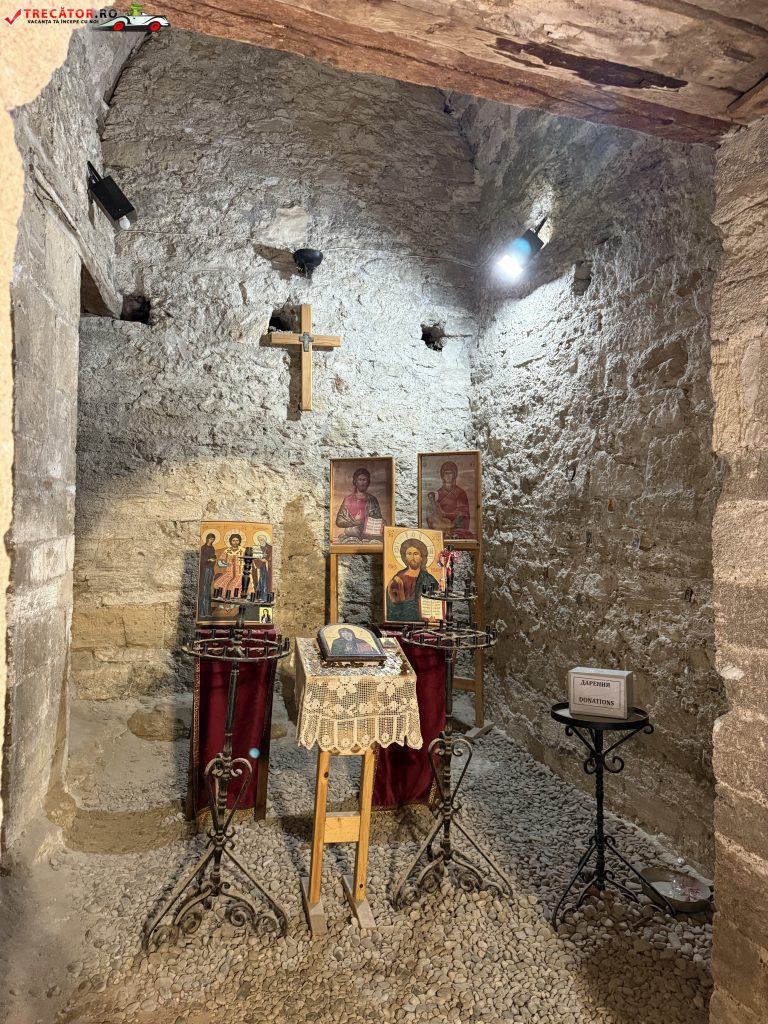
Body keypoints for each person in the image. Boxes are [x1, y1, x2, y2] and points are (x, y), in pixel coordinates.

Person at [386, 537, 440, 622]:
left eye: (416, 554)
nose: (412, 557)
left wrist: (434, 616)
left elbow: (437, 602)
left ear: (422, 557)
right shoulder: (397, 578)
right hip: (402, 621)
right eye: (409, 554)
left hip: (424, 622)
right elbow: (391, 606)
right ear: (405, 557)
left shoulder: (429, 579)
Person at [335, 467, 384, 543]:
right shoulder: (348, 499)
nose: (362, 483)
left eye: (364, 480)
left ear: (368, 482)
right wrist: (356, 522)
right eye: (360, 480)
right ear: (355, 481)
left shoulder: (372, 500)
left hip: (369, 534)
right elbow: (339, 521)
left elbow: (378, 518)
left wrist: (380, 522)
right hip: (352, 533)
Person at [426, 460, 472, 539]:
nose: (448, 476)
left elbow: (463, 513)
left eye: (450, 473)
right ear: (442, 475)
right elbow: (432, 513)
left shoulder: (460, 493)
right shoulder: (437, 493)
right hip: (440, 526)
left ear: (454, 475)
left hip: (456, 528)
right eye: (446, 473)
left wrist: (452, 525)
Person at [197, 532, 217, 617]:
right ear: (207, 539)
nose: (211, 540)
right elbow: (202, 558)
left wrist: (214, 558)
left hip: (210, 569)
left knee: (208, 589)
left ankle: (207, 611)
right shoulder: (203, 548)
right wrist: (208, 560)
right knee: (204, 589)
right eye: (210, 539)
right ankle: (202, 611)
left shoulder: (212, 548)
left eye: (213, 539)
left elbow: (213, 556)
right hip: (204, 569)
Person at [252, 531, 272, 600]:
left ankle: (265, 597)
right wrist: (259, 559)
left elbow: (270, 557)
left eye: (262, 540)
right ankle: (259, 597)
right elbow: (255, 558)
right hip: (260, 567)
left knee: (265, 582)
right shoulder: (257, 547)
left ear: (265, 539)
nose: (260, 541)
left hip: (267, 567)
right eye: (259, 540)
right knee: (260, 581)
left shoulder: (270, 547)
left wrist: (266, 559)